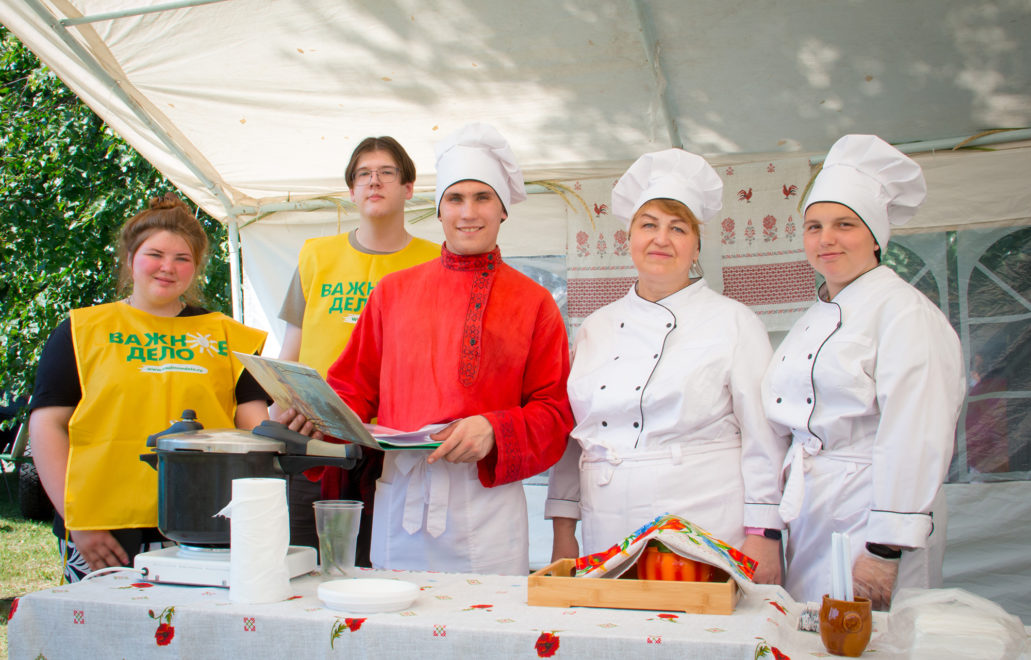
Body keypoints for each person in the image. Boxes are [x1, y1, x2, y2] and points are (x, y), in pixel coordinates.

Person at [297, 122, 574, 575]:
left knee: (486, 639)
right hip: (401, 495)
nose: (468, 212)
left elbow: (555, 410)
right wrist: (314, 413)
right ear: (439, 210)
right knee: (392, 633)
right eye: (455, 198)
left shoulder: (534, 301)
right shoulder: (392, 292)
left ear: (503, 210)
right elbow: (353, 388)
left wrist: (494, 428)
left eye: (482, 197)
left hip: (488, 502)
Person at [545, 149, 787, 584]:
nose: (661, 239)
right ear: (629, 237)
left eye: (678, 228)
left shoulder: (734, 322)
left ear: (697, 244)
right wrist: (565, 530)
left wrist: (763, 533)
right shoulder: (595, 327)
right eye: (649, 225)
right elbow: (574, 437)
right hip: (607, 525)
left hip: (702, 522)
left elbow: (763, 436)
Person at [761, 134, 965, 609]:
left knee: (868, 639)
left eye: (844, 225)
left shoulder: (904, 314)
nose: (825, 239)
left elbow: (916, 434)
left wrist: (884, 548)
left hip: (873, 515)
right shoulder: (816, 316)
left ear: (876, 236)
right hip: (816, 508)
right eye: (813, 227)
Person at [28, 193, 268, 582]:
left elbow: (255, 432)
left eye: (182, 259)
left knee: (193, 636)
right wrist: (79, 521)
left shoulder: (231, 338)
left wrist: (294, 421)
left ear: (197, 267)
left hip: (205, 523)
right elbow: (47, 427)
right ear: (130, 259)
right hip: (102, 526)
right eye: (155, 254)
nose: (167, 268)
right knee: (103, 636)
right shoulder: (80, 330)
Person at [276, 136, 438, 563]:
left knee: (380, 568)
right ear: (351, 191)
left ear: (408, 188)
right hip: (316, 441)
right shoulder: (315, 255)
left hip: (394, 447)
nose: (374, 182)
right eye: (363, 174)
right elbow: (291, 347)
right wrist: (281, 404)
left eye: (387, 172)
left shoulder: (435, 263)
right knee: (305, 566)